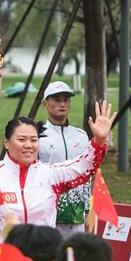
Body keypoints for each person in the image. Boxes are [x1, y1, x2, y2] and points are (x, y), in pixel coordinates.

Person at [0, 102, 113, 237]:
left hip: (42, 260)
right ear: (6, 143)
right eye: (22, 139)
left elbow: (83, 167)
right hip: (2, 260)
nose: (28, 145)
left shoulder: (50, 175)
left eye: (34, 140)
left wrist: (98, 140)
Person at [38, 81, 93, 236]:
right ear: (45, 103)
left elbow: (87, 174)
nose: (62, 104)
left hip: (76, 212)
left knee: (75, 250)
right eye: (56, 100)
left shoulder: (81, 136)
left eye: (66, 100)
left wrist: (87, 210)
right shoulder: (37, 136)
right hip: (47, 211)